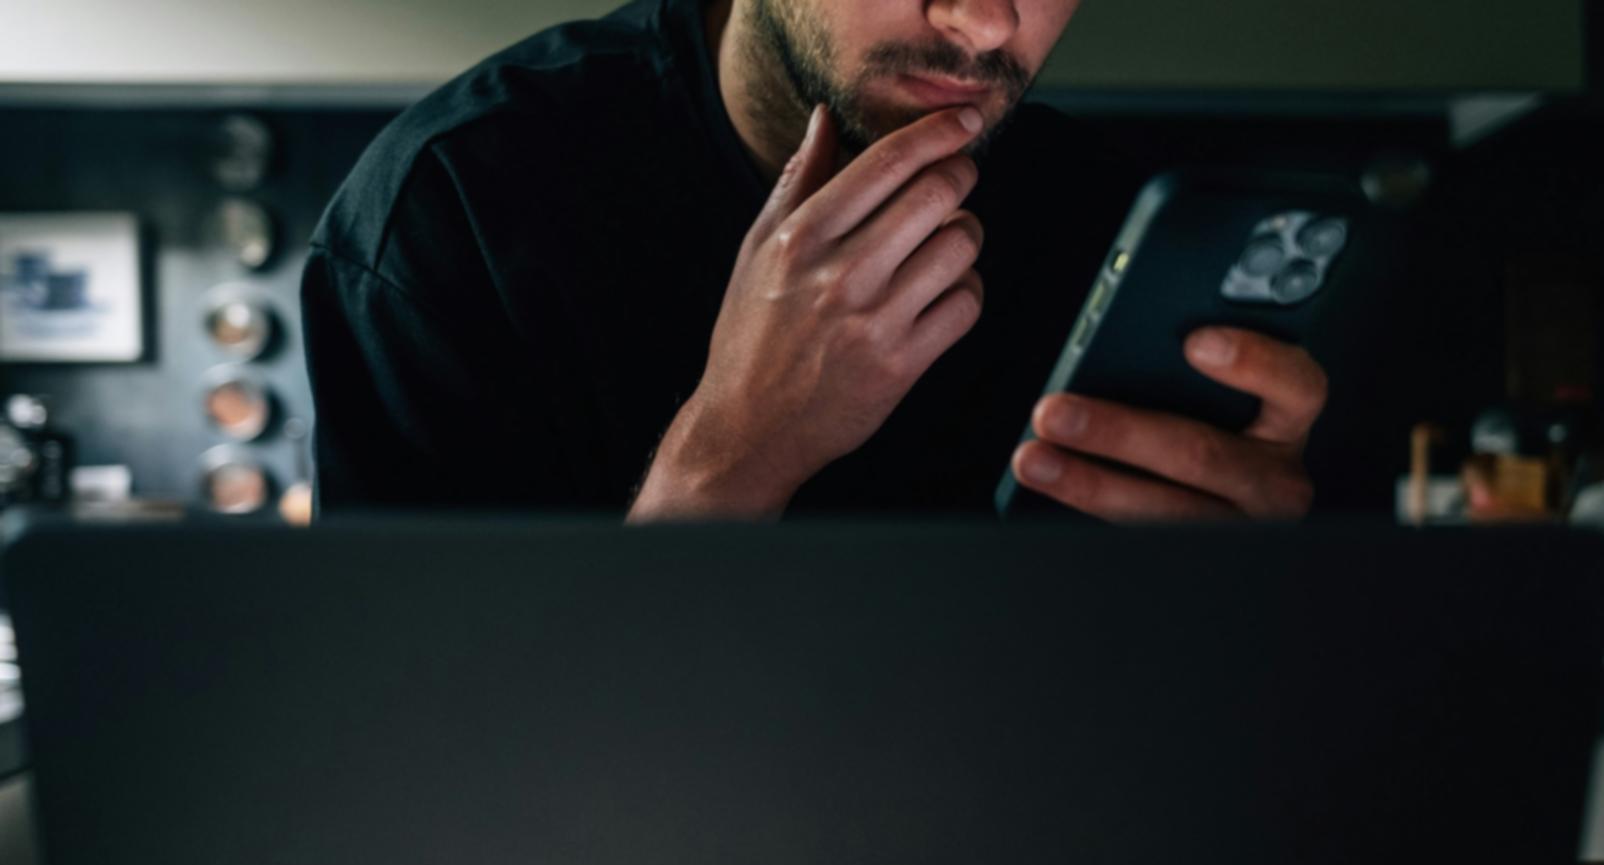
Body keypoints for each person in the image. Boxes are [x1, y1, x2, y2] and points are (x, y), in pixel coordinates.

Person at [302, 0, 1327, 521]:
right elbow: (419, 779)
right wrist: (733, 456)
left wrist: (1263, 591)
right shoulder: (448, 218)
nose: (984, 22)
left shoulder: (1116, 224)